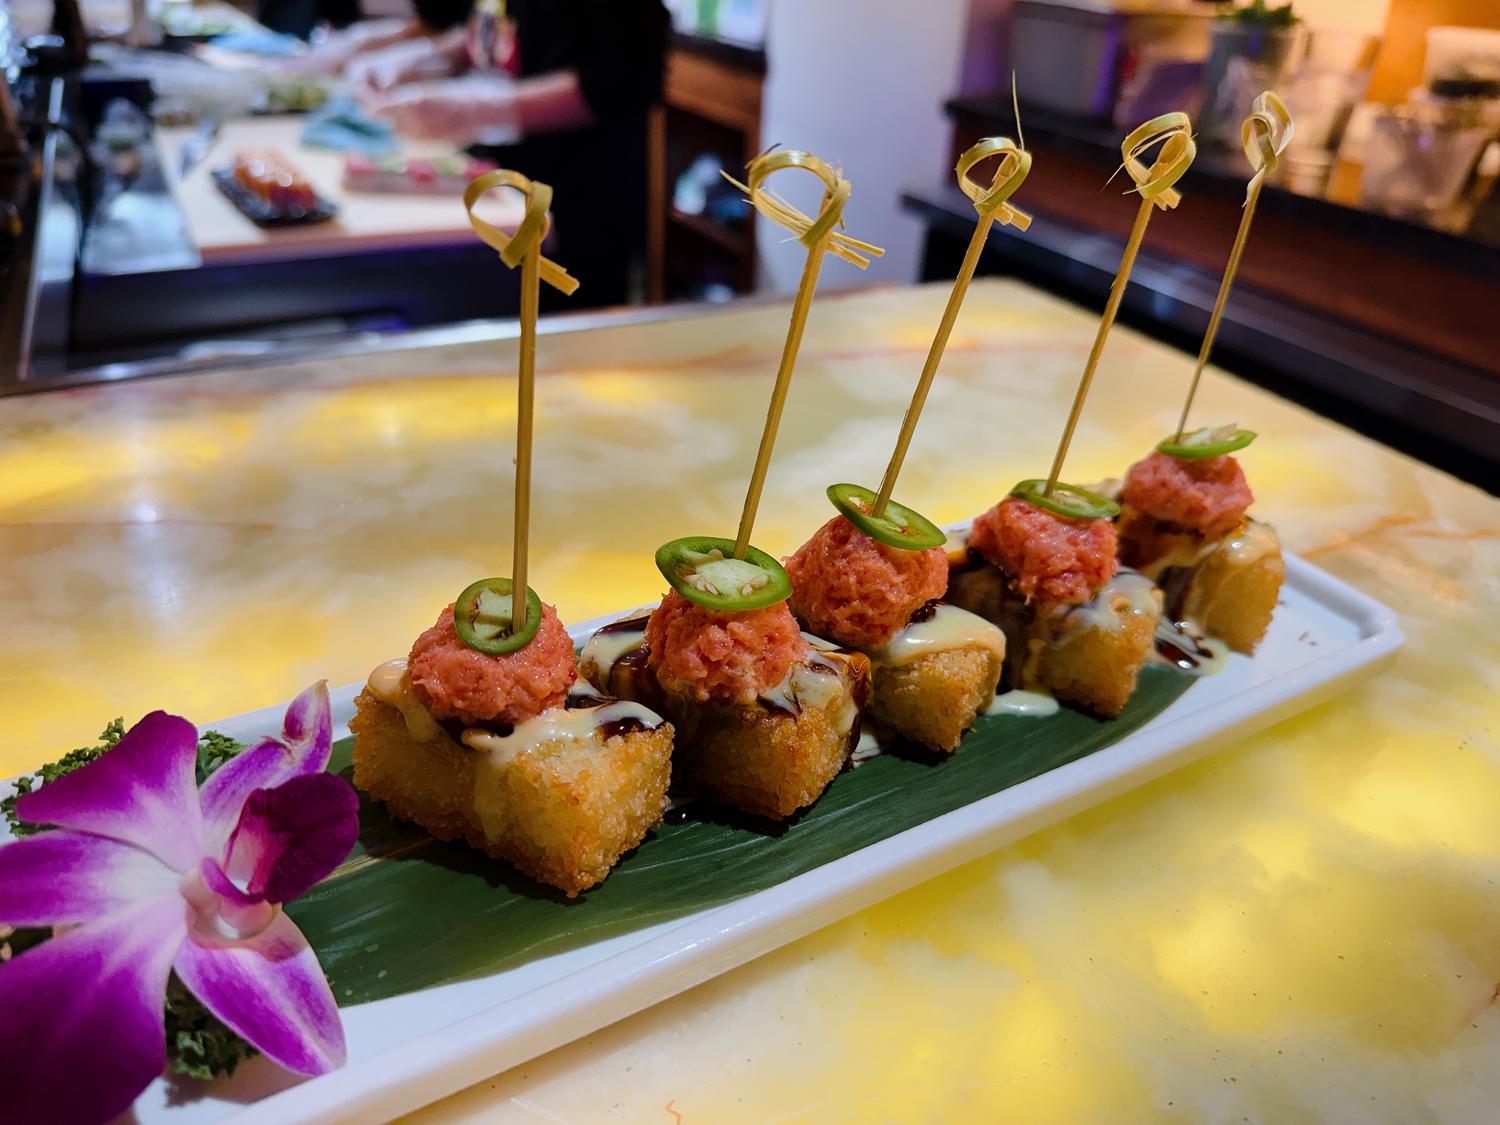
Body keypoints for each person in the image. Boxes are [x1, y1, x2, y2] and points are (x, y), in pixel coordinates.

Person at [349, 0, 670, 308]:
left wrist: (486, 109)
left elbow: (624, 79)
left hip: (579, 206)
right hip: (499, 199)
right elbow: (494, 27)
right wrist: (424, 58)